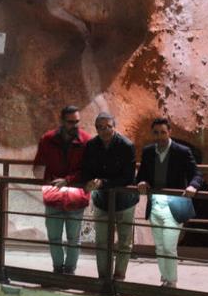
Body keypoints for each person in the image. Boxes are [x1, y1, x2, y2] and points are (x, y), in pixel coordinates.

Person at [136, 118, 203, 287]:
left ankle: (171, 282)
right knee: (159, 246)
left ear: (170, 132)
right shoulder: (148, 151)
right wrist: (142, 182)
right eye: (156, 133)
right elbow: (141, 175)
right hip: (155, 204)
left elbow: (197, 175)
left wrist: (193, 186)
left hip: (174, 204)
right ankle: (165, 278)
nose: (159, 136)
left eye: (163, 132)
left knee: (169, 247)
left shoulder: (182, 151)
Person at [32, 105, 92, 275]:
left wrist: (68, 180)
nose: (75, 125)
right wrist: (42, 176)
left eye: (77, 122)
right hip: (54, 196)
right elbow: (38, 165)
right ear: (62, 121)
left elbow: (88, 170)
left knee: (73, 238)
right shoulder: (47, 139)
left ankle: (70, 270)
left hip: (75, 197)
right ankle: (58, 269)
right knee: (54, 237)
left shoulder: (86, 141)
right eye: (70, 122)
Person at [82, 112, 138, 281]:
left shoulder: (126, 145)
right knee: (102, 242)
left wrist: (102, 183)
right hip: (102, 201)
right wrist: (89, 181)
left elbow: (128, 177)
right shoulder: (91, 145)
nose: (104, 130)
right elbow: (86, 169)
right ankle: (104, 277)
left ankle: (119, 277)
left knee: (124, 241)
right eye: (100, 127)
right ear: (96, 129)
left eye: (108, 127)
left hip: (125, 201)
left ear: (114, 127)